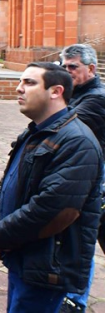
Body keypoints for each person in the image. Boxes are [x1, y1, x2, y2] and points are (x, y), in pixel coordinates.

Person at [0, 62, 103, 313]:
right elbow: (6, 183)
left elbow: (54, 209)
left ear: (56, 91)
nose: (19, 89)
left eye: (29, 83)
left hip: (47, 266)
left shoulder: (77, 142)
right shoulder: (36, 132)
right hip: (23, 255)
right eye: (20, 82)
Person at [59, 44, 105, 312]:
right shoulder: (76, 94)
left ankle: (76, 299)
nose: (67, 72)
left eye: (72, 67)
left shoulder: (97, 98)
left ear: (91, 68)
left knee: (82, 239)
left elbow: (62, 126)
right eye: (63, 67)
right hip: (83, 178)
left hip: (93, 183)